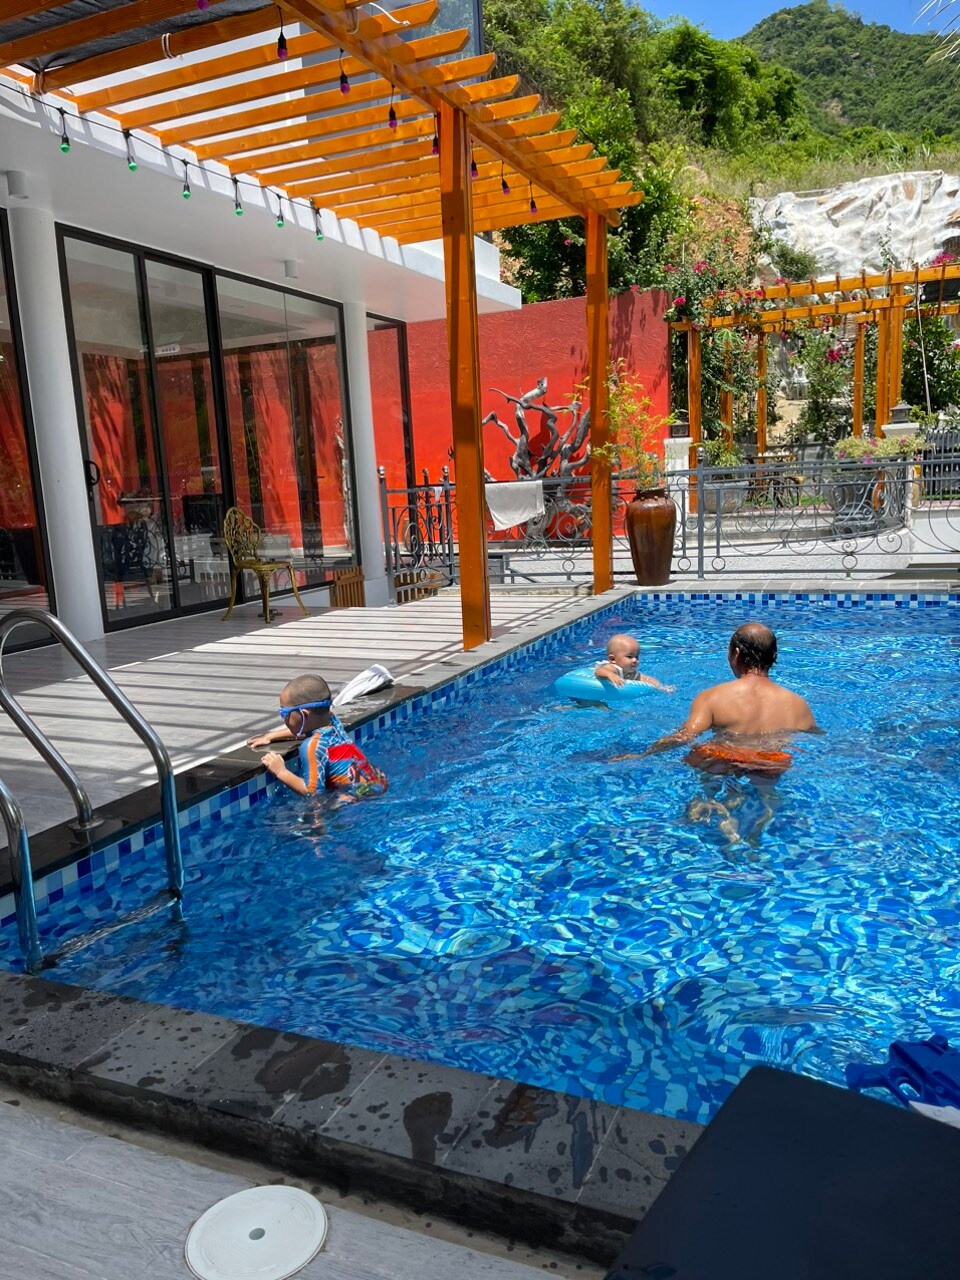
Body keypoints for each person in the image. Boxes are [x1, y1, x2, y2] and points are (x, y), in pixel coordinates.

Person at [613, 622, 817, 776]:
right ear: (773, 657)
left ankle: (710, 804)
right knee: (766, 796)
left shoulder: (712, 697)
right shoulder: (798, 704)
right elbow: (814, 739)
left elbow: (684, 736)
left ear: (735, 654)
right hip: (771, 763)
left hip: (723, 759)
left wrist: (643, 755)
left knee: (702, 760)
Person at [248, 674, 388, 800]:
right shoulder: (333, 722)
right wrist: (272, 736)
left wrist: (280, 771)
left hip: (357, 799)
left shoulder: (311, 747)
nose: (283, 718)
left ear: (304, 715)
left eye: (284, 713)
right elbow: (306, 728)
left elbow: (313, 792)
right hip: (378, 782)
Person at [594, 633, 675, 693]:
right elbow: (599, 671)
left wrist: (661, 687)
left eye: (637, 657)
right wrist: (611, 675)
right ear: (613, 659)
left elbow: (647, 679)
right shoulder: (613, 668)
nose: (635, 660)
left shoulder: (631, 673)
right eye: (629, 657)